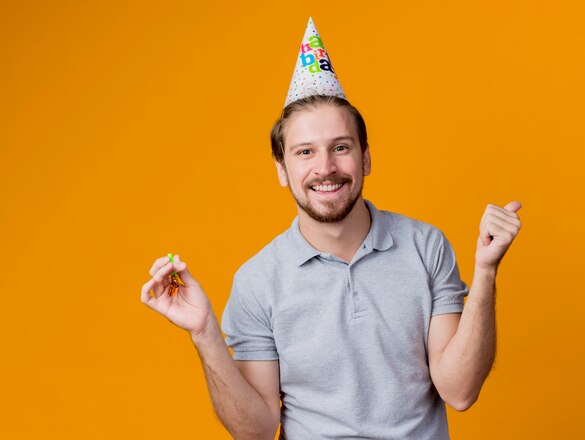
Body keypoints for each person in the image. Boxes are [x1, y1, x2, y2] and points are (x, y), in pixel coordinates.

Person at [140, 18, 522, 440]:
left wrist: (486, 272)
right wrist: (205, 333)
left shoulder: (425, 247)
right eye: (305, 152)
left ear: (366, 158)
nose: (325, 168)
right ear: (282, 170)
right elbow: (257, 430)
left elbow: (460, 391)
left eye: (340, 147)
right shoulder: (257, 281)